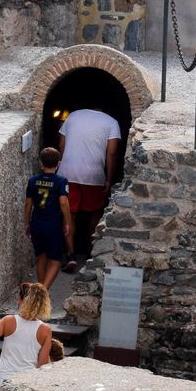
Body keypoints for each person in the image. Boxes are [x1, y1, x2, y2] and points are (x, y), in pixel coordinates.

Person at [57, 107, 122, 269]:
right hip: (94, 175)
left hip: (68, 173)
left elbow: (61, 145)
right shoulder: (111, 122)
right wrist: (109, 178)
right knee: (95, 212)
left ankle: (70, 255)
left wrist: (60, 167)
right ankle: (91, 252)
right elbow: (112, 153)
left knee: (69, 214)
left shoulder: (72, 116)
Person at [23, 147, 73, 289]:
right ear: (59, 163)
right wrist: (68, 222)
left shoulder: (33, 181)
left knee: (41, 258)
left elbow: (28, 204)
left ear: (41, 163)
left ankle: (41, 290)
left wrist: (27, 223)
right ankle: (42, 292)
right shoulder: (61, 181)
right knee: (56, 261)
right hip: (53, 225)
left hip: (37, 223)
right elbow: (63, 203)